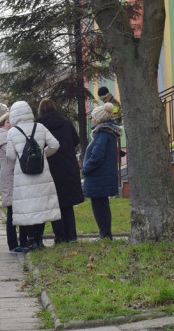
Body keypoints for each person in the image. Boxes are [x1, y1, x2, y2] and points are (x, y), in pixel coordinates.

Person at [7, 100, 61, 250]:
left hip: (23, 175)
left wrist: (22, 157)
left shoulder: (12, 132)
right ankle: (39, 240)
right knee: (41, 207)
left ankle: (31, 240)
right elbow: (55, 145)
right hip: (42, 172)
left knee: (28, 208)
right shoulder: (40, 127)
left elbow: (10, 155)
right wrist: (42, 155)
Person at [36, 98, 83, 243]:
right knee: (67, 205)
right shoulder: (67, 123)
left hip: (50, 168)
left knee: (54, 204)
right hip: (68, 167)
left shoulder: (39, 126)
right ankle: (72, 235)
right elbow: (76, 140)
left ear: (41, 110)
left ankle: (60, 236)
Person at [82, 103, 120, 239]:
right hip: (101, 176)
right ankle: (105, 234)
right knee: (101, 205)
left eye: (93, 118)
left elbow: (97, 157)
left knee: (100, 207)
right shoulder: (106, 133)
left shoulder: (102, 135)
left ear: (99, 119)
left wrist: (86, 168)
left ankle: (105, 235)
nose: (92, 120)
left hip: (99, 176)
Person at [0, 113, 19, 252]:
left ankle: (19, 241)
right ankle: (13, 243)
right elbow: (13, 155)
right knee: (11, 209)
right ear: (4, 123)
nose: (11, 124)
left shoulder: (9, 136)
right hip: (9, 176)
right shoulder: (4, 138)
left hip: (12, 174)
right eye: (8, 122)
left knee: (16, 208)